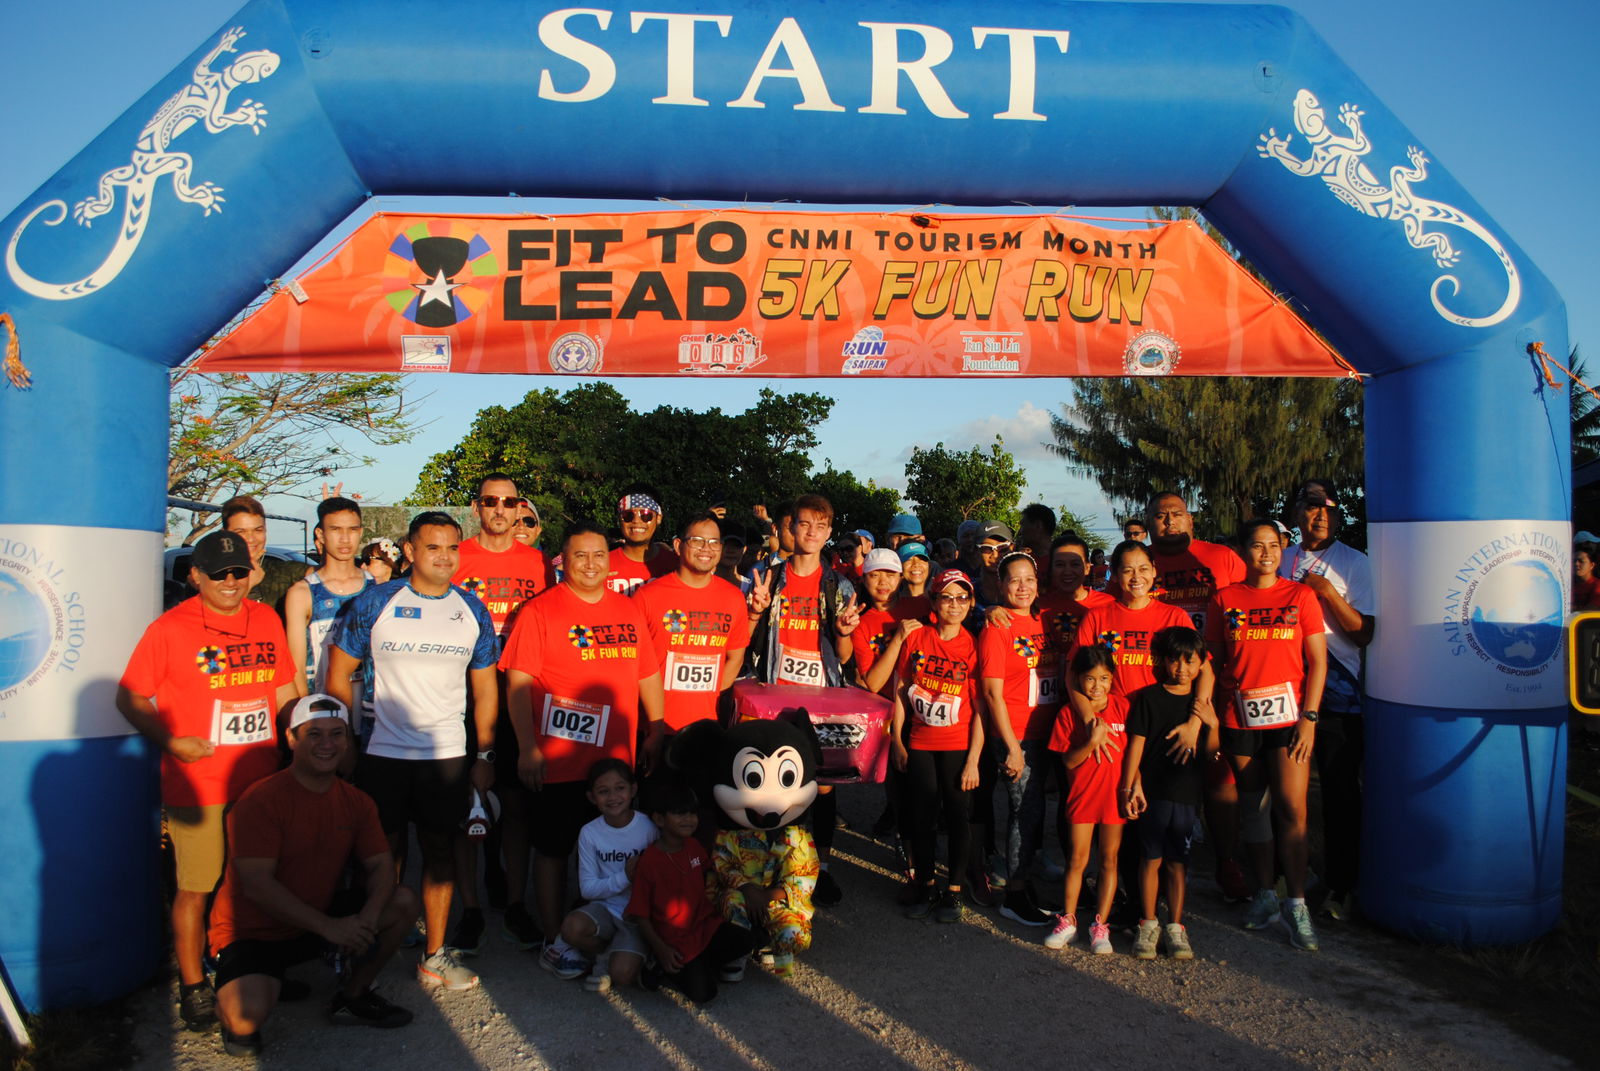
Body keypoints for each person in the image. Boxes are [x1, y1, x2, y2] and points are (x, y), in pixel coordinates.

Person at [116, 529, 300, 1031]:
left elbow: (283, 685)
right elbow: (130, 697)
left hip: (260, 782)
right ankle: (193, 984)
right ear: (195, 575)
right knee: (197, 886)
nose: (230, 582)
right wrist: (171, 742)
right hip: (199, 785)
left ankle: (252, 966)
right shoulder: (169, 629)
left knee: (254, 883)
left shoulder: (265, 619)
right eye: (218, 573)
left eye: (239, 571)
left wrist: (297, 738)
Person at [323, 511, 500, 992]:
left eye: (452, 548)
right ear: (409, 550)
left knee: (441, 851)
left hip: (445, 755)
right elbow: (338, 675)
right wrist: (343, 742)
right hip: (382, 751)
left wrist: (484, 756)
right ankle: (373, 945)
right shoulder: (375, 601)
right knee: (382, 853)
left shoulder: (472, 609)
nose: (444, 558)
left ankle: (435, 954)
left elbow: (485, 690)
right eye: (433, 547)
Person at [207, 695, 416, 1057]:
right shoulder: (262, 799)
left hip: (312, 918)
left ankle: (353, 996)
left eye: (337, 734)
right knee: (244, 1022)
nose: (327, 744)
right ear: (291, 739)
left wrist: (365, 921)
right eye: (314, 734)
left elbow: (382, 865)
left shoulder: (356, 801)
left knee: (402, 901)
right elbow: (256, 886)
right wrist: (330, 928)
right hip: (254, 930)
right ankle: (243, 977)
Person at [500, 521, 668, 948]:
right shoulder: (540, 611)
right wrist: (527, 748)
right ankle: (556, 939)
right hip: (559, 761)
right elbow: (517, 684)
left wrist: (656, 727)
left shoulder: (628, 609)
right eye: (580, 555)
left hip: (615, 762)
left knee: (615, 848)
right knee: (553, 850)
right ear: (564, 560)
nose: (591, 564)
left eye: (598, 555)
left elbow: (647, 673)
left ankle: (613, 928)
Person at [1207, 519, 1327, 952]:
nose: (1265, 553)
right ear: (1243, 551)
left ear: (1283, 549)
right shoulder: (1225, 599)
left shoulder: (1301, 596)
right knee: (1254, 811)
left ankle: (1296, 904)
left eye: (1273, 545)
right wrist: (1212, 710)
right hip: (1239, 721)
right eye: (1256, 546)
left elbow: (1317, 660)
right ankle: (1264, 894)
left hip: (1289, 720)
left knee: (1292, 809)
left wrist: (1310, 718)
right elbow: (1213, 660)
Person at [449, 474, 552, 954]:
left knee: (514, 807)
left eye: (509, 502)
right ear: (477, 508)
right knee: (464, 807)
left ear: (518, 510)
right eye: (491, 501)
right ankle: (469, 910)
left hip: (514, 696)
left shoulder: (535, 562)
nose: (500, 508)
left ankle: (514, 903)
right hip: (460, 699)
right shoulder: (458, 556)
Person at [744, 493, 862, 906]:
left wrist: (845, 631)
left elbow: (845, 660)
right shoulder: (768, 576)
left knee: (823, 787)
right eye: (804, 525)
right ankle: (767, 865)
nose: (811, 533)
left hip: (822, 697)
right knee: (773, 782)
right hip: (774, 695)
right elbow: (747, 636)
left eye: (821, 526)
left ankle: (821, 868)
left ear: (830, 533)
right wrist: (754, 611)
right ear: (789, 528)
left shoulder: (839, 584)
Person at [1143, 491, 1248, 902]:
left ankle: (1227, 862)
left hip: (1217, 682)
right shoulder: (1140, 561)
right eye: (1159, 515)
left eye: (1176, 514)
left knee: (1219, 776)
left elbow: (1252, 595)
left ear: (1191, 519)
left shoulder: (1220, 557)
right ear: (1149, 521)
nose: (1168, 521)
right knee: (1163, 776)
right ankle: (1156, 866)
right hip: (1162, 687)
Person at [1280, 479, 1375, 920]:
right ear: (1297, 513)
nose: (1317, 516)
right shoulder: (1279, 559)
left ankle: (1343, 885)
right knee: (1284, 795)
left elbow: (1364, 633)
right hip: (1286, 689)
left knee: (1338, 794)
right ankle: (1289, 875)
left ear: (1338, 516)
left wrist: (1329, 593)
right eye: (1310, 508)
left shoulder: (1356, 563)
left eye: (1327, 511)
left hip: (1340, 695)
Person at [891, 569, 985, 922]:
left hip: (958, 744)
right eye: (947, 597)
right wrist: (897, 740)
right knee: (923, 815)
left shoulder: (973, 647)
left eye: (963, 598)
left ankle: (954, 890)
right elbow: (900, 690)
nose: (955, 605)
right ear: (934, 602)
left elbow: (980, 711)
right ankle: (926, 883)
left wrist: (974, 759)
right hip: (919, 742)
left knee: (958, 815)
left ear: (971, 603)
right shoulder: (917, 638)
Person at [1119, 627, 1218, 961]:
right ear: (1160, 660)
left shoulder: (1200, 706)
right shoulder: (1149, 698)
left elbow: (1212, 754)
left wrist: (1213, 725)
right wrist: (1131, 783)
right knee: (1150, 858)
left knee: (1178, 862)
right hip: (1153, 792)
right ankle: (1149, 923)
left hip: (1188, 794)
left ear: (1202, 662)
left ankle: (1176, 926)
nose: (1182, 668)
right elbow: (1137, 744)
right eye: (1174, 660)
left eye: (1190, 661)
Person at [979, 552, 1058, 926]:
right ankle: (1014, 894)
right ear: (1001, 584)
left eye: (1029, 579)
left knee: (1034, 810)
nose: (1023, 587)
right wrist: (1011, 747)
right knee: (1023, 812)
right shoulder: (998, 627)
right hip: (1016, 735)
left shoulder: (1043, 620)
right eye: (1014, 580)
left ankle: (1023, 883)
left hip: (1044, 733)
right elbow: (992, 693)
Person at [628, 782, 755, 1003]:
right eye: (679, 814)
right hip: (674, 941)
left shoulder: (694, 846)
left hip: (704, 926)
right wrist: (661, 949)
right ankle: (662, 967)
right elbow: (640, 914)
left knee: (749, 939)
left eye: (692, 813)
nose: (688, 819)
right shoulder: (649, 861)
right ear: (659, 819)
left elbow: (710, 876)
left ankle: (697, 965)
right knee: (704, 994)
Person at [542, 760, 658, 991]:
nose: (613, 797)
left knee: (623, 975)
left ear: (633, 790)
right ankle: (607, 953)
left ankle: (624, 956)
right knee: (571, 928)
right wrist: (625, 877)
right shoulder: (589, 832)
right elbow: (588, 889)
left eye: (620, 788)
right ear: (591, 797)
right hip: (604, 909)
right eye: (603, 791)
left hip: (637, 914)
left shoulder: (648, 827)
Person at [634, 512, 751, 733]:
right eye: (697, 541)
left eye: (714, 542)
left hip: (708, 728)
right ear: (678, 546)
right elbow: (635, 664)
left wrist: (711, 695)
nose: (706, 548)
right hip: (655, 727)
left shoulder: (733, 598)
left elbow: (736, 657)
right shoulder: (647, 596)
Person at [1045, 645, 1127, 954]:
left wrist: (1135, 787)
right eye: (1090, 679)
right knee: (1077, 860)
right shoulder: (1068, 714)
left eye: (1104, 678)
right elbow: (1067, 762)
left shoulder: (1123, 708)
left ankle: (1100, 925)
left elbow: (1134, 753)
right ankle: (1068, 920)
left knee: (1109, 860)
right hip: (1083, 797)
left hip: (1115, 798)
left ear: (1112, 678)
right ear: (1077, 679)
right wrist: (1091, 741)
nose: (1097, 686)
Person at [283, 497, 369, 695]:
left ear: (361, 532)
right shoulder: (302, 593)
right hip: (323, 712)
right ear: (320, 535)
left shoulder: (376, 588)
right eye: (336, 529)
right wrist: (306, 716)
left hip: (369, 714)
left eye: (352, 529)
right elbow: (296, 667)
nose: (345, 539)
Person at [222, 494, 309, 615]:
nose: (251, 539)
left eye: (258, 530)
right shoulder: (211, 578)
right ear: (224, 534)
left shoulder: (283, 572)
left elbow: (327, 575)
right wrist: (248, 585)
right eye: (240, 532)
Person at [608, 484, 678, 595]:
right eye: (628, 515)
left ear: (658, 518)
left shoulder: (676, 566)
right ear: (619, 520)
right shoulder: (601, 566)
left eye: (646, 515)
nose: (636, 520)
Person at [973, 522, 1013, 608]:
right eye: (987, 548)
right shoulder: (968, 591)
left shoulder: (1022, 590)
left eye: (1002, 548)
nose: (995, 555)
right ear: (976, 551)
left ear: (1012, 548)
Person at [1575, 541, 1600, 611]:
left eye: (1581, 561)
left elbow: (1592, 610)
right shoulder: (1568, 585)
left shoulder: (1597, 585)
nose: (1576, 564)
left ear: (1591, 565)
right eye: (1574, 561)